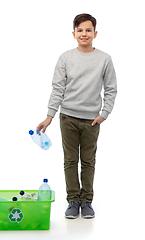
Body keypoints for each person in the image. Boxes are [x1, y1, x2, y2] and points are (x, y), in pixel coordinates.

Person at [37, 13, 117, 219]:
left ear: (95, 33)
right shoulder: (65, 58)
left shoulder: (104, 59)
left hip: (92, 120)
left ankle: (87, 201)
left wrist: (104, 114)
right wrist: (49, 116)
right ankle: (73, 200)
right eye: (80, 30)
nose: (84, 34)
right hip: (68, 118)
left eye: (88, 30)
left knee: (88, 161)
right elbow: (57, 89)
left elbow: (111, 89)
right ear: (73, 34)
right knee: (70, 160)